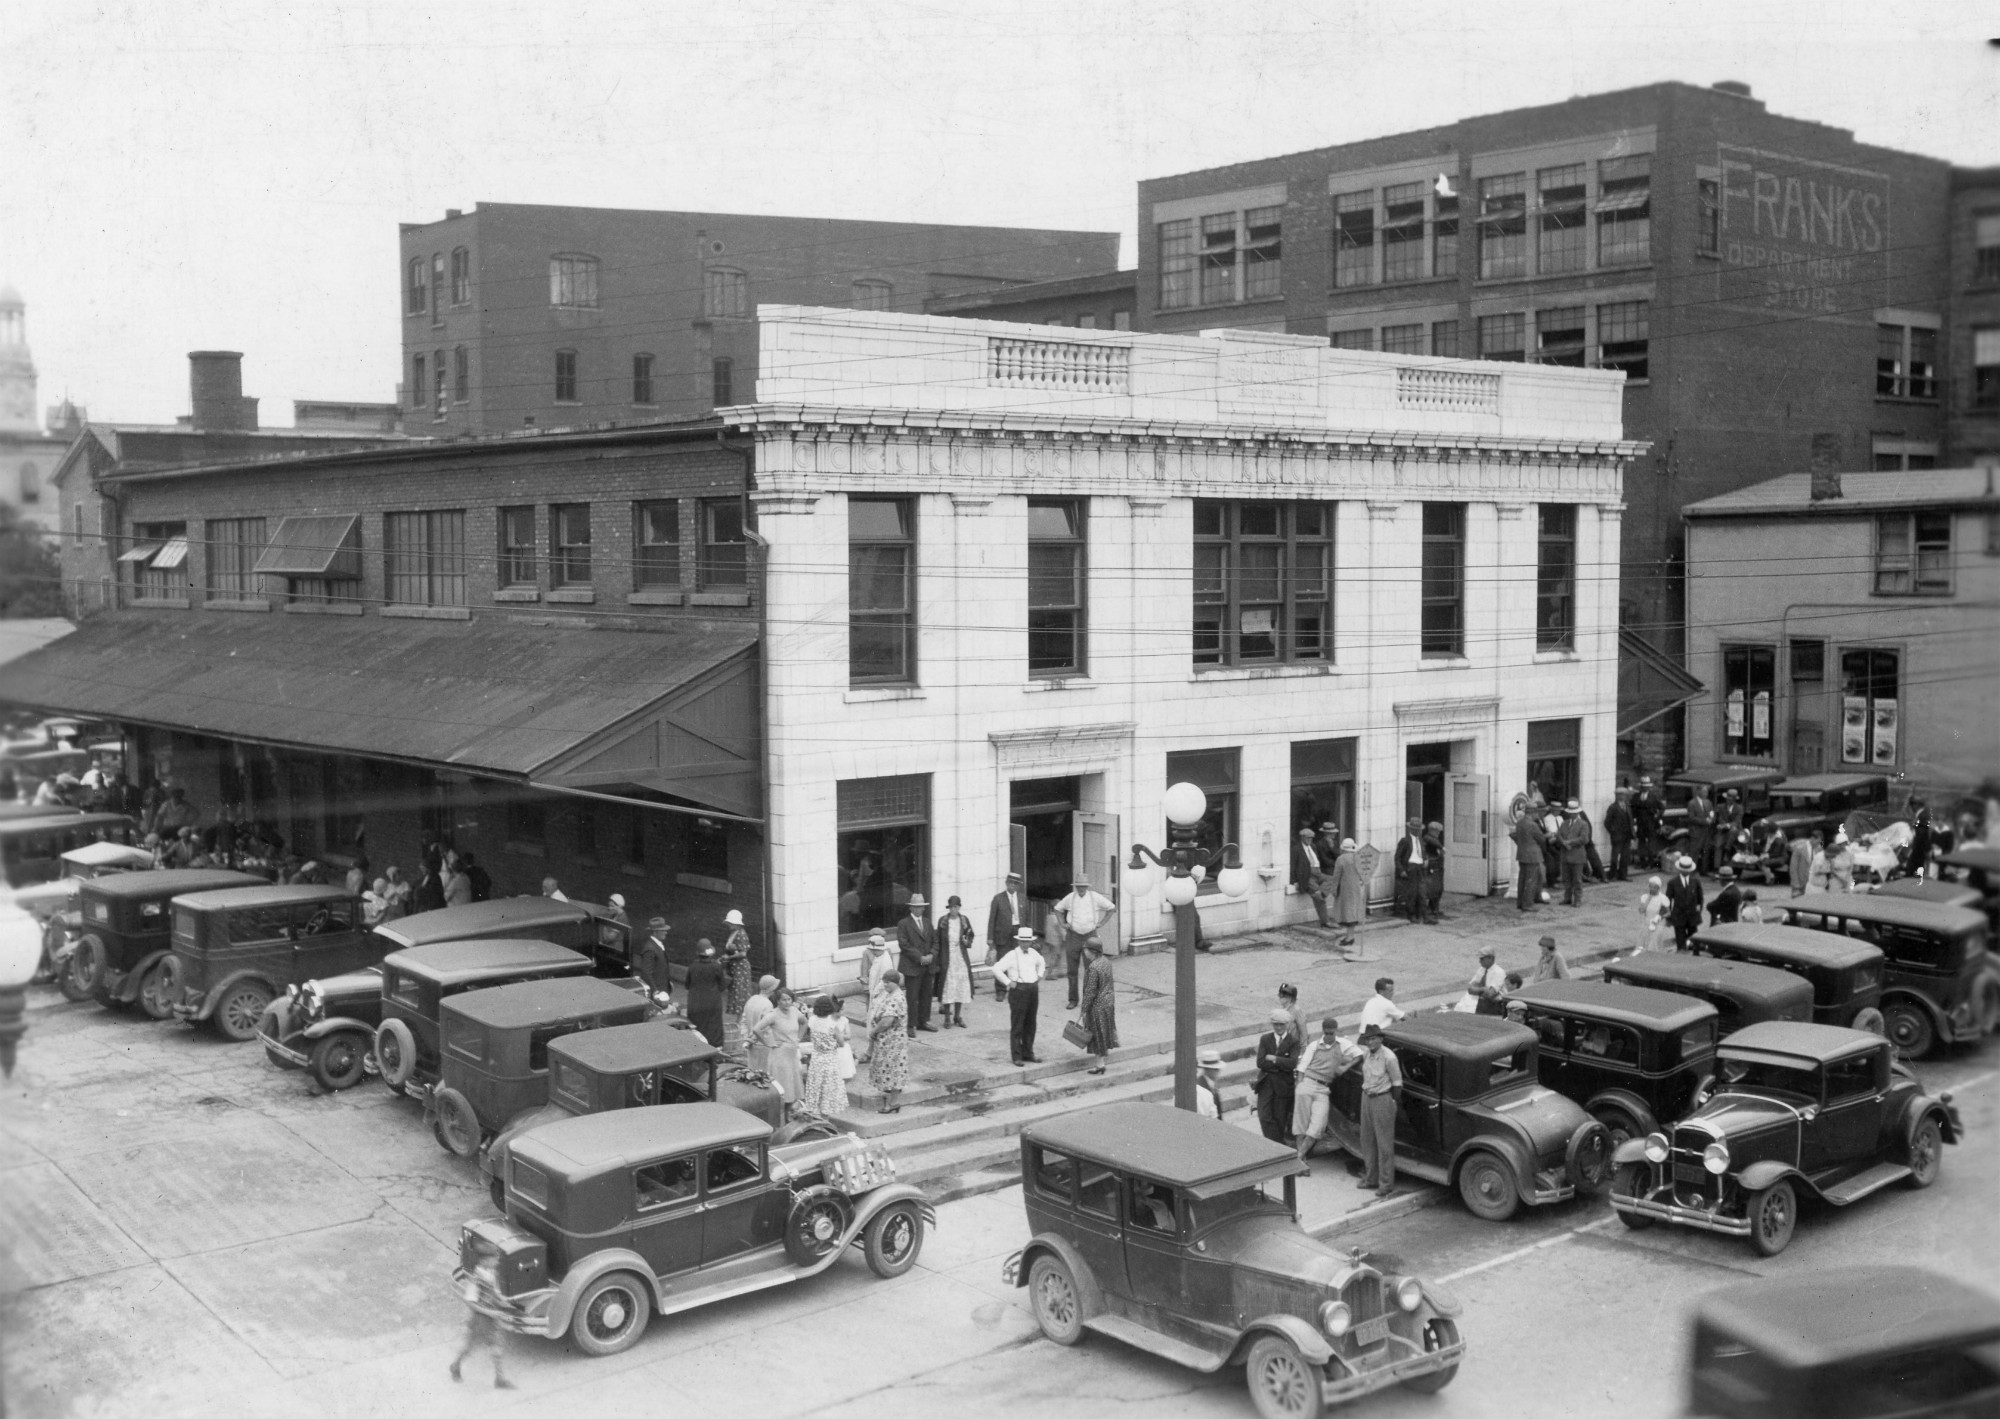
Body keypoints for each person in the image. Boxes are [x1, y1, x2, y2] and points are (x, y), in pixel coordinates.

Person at [1291, 1017, 1355, 1171]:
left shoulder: (1342, 1045)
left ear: (1336, 1031)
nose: (1329, 1036)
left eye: (1332, 1033)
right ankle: (1302, 1162)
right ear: (1322, 1031)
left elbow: (1358, 1055)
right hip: (1307, 1083)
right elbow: (1302, 1067)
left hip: (1323, 1090)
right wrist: (1300, 1086)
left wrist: (1345, 1067)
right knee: (1301, 1125)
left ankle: (1298, 1158)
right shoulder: (1314, 1046)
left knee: (1317, 1127)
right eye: (1326, 1033)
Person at [449, 1252, 514, 1389]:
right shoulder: (476, 1278)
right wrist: (491, 1312)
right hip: (479, 1320)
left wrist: (502, 1302)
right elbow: (470, 1302)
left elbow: (494, 1292)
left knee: (496, 1348)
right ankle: (455, 1366)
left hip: (491, 1318)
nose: (497, 1261)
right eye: (493, 1258)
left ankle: (499, 1379)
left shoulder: (491, 1273)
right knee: (470, 1347)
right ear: (484, 1260)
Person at [1355, 1024, 1403, 1196]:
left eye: (1374, 1038)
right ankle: (1371, 1178)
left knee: (1384, 1143)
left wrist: (1391, 1101)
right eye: (1368, 1039)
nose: (1371, 1042)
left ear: (1381, 1039)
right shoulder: (1367, 1053)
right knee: (1367, 1140)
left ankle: (1386, 1183)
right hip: (1366, 1096)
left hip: (1382, 1097)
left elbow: (1397, 1083)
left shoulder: (1389, 1057)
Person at [1054, 877, 1115, 1009]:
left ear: (1087, 887)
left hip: (1090, 936)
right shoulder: (1070, 898)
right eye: (1078, 886)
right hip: (1073, 936)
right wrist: (1063, 924)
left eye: (1083, 886)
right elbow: (1057, 909)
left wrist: (1102, 923)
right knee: (1072, 970)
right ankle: (1073, 999)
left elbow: (1111, 908)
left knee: (1091, 969)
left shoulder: (1095, 898)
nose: (1081, 889)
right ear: (1075, 886)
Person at [992, 925, 1047, 1065]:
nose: (1025, 944)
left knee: (1031, 1023)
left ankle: (1028, 1053)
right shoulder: (1011, 955)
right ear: (1018, 941)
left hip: (1032, 989)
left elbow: (1042, 962)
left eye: (1027, 941)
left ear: (1031, 942)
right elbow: (996, 968)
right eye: (1022, 941)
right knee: (1018, 1024)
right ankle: (1016, 1056)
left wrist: (1039, 976)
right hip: (1018, 990)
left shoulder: (1034, 953)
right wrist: (1008, 982)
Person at [1253, 1007, 1300, 1143]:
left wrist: (1274, 1058)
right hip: (1266, 1083)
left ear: (1287, 1025)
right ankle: (1276, 1144)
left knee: (1280, 1120)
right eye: (1276, 1024)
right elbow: (1261, 1062)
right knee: (1264, 1116)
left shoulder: (1293, 1041)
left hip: (1283, 1086)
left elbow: (1292, 1063)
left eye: (1282, 1024)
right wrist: (1281, 1065)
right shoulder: (1265, 1039)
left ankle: (1276, 1146)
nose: (1279, 1027)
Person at [799, 996, 851, 1117]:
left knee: (815, 1086)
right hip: (829, 1059)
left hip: (816, 1058)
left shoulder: (812, 1021)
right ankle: (825, 1117)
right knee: (828, 1089)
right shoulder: (832, 1025)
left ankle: (814, 1113)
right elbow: (842, 1043)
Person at [895, 893, 938, 1034]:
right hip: (912, 966)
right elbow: (904, 945)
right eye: (918, 907)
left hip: (928, 965)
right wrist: (920, 958)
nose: (921, 909)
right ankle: (910, 1025)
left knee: (926, 994)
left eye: (922, 907)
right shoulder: (903, 924)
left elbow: (935, 941)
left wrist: (931, 954)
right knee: (912, 996)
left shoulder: (927, 922)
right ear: (911, 908)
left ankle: (923, 1021)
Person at [869, 969, 910, 1114]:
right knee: (890, 1069)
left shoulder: (896, 998)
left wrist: (874, 1031)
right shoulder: (892, 994)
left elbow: (887, 1021)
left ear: (894, 982)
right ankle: (892, 1098)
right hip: (889, 1041)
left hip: (893, 1042)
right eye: (884, 982)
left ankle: (893, 1103)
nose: (885, 984)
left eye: (887, 982)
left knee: (894, 1071)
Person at [1077, 936, 1118, 1075]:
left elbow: (1090, 991)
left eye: (1086, 950)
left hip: (1097, 1007)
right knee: (1104, 1033)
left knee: (1097, 1036)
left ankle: (1100, 1065)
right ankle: (1100, 1063)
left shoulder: (1093, 968)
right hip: (1108, 1003)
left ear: (1092, 951)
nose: (1084, 952)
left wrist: (1083, 1009)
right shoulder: (1106, 962)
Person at [935, 893, 976, 1028]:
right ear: (949, 908)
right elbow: (938, 940)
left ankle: (957, 1016)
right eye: (951, 907)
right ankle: (947, 1017)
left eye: (956, 907)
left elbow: (970, 935)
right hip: (947, 957)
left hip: (960, 957)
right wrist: (938, 959)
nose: (954, 910)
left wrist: (967, 941)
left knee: (960, 986)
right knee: (948, 986)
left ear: (959, 907)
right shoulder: (943, 921)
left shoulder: (964, 920)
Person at [987, 871, 1029, 1001]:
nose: (1013, 886)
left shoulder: (1022, 898)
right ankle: (1000, 990)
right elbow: (992, 920)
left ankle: (1017, 989)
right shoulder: (998, 899)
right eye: (1010, 883)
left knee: (1018, 961)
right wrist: (990, 938)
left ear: (1018, 886)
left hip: (1019, 933)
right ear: (1006, 883)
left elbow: (1027, 919)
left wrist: (1028, 936)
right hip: (1003, 935)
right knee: (1002, 962)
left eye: (1015, 884)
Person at [757, 987, 803, 1107]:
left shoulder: (794, 1011)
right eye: (784, 1000)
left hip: (792, 1055)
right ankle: (782, 1116)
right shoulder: (773, 1015)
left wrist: (799, 1038)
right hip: (780, 1056)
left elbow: (804, 1022)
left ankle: (789, 1115)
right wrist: (768, 1042)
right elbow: (757, 1029)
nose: (787, 1002)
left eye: (789, 999)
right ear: (778, 1001)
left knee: (793, 1087)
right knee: (784, 1088)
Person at [684, 940, 727, 1046]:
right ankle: (715, 1050)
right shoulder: (716, 967)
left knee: (697, 1026)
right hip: (713, 1002)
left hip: (695, 1002)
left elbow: (687, 985)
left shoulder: (692, 966)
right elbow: (722, 985)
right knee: (714, 1027)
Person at [1329, 838, 1367, 951]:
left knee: (1346, 912)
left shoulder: (1341, 859)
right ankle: (1350, 935)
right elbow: (1362, 874)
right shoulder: (1358, 858)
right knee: (1353, 911)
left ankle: (1349, 937)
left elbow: (1336, 876)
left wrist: (1334, 889)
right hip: (1356, 888)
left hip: (1344, 889)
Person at [1292, 827, 1333, 928]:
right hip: (1307, 876)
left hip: (1318, 873)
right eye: (1308, 838)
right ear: (1302, 838)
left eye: (1311, 838)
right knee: (1318, 897)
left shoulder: (1313, 847)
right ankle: (1325, 921)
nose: (1310, 840)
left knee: (1331, 879)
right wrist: (1294, 881)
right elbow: (1293, 865)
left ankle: (1321, 893)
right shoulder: (1297, 849)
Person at [741, 974, 782, 1069]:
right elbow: (766, 1029)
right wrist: (772, 1044)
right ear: (771, 988)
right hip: (763, 1044)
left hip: (751, 1044)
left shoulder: (751, 999)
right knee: (765, 1073)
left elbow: (743, 1021)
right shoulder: (767, 1004)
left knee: (753, 1071)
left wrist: (746, 1038)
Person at [719, 909, 754, 1020]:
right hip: (734, 968)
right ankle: (739, 1020)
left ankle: (741, 1021)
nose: (728, 925)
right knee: (736, 993)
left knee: (740, 994)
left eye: (730, 923)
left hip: (740, 968)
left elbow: (743, 953)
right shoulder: (734, 933)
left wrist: (729, 957)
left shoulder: (741, 934)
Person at [1666, 856, 1705, 951]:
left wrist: (1698, 912)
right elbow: (1667, 901)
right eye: (1683, 870)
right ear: (1680, 870)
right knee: (1681, 944)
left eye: (1687, 870)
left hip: (1692, 917)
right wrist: (1668, 916)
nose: (1685, 872)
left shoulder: (1695, 882)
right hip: (1678, 917)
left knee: (1694, 942)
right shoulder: (1672, 882)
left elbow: (1700, 899)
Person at [1512, 806, 1546, 912]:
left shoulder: (1519, 823)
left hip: (1522, 854)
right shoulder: (1532, 825)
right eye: (1536, 812)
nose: (1537, 815)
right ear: (1532, 813)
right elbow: (1541, 839)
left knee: (1522, 879)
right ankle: (1527, 904)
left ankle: (1520, 902)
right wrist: (1548, 835)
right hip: (1532, 855)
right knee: (1531, 880)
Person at [1558, 800, 1591, 906]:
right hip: (1565, 855)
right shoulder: (1564, 823)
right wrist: (1563, 842)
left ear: (1577, 813)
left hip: (1577, 855)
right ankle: (1567, 898)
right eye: (1570, 812)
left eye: (1574, 812)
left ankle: (1577, 899)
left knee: (1577, 879)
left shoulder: (1583, 824)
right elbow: (1559, 835)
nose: (1572, 814)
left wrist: (1570, 842)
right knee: (1566, 879)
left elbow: (1584, 839)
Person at [1393, 818, 1428, 922]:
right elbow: (1397, 857)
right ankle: (1411, 914)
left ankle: (1423, 915)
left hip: (1420, 868)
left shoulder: (1420, 841)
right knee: (1411, 893)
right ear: (1410, 829)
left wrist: (1426, 859)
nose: (1417, 831)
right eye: (1415, 829)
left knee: (1422, 892)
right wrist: (1401, 870)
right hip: (1410, 867)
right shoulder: (1405, 841)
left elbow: (1423, 853)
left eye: (1418, 829)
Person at [634, 918, 673, 1005]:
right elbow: (646, 972)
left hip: (662, 989)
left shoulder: (657, 945)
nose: (666, 932)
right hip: (657, 993)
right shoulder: (650, 949)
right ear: (655, 932)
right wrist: (655, 990)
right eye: (663, 930)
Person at [1604, 787, 1634, 882]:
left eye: (1623, 795)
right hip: (1617, 836)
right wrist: (1613, 832)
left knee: (1625, 856)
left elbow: (1631, 820)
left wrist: (1632, 832)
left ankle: (1623, 875)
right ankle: (1612, 875)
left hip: (1627, 835)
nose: (1621, 797)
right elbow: (1607, 822)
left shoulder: (1628, 806)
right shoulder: (1612, 807)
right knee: (1615, 857)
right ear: (1616, 796)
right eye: (1619, 795)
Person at [1632, 776, 1664, 864]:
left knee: (1651, 843)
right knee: (1641, 842)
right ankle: (1642, 861)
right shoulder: (1636, 796)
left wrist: (1657, 816)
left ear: (1649, 787)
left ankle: (1650, 861)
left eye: (1646, 786)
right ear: (1641, 787)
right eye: (1643, 786)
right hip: (1640, 822)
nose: (1644, 788)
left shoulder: (1653, 796)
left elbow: (1662, 807)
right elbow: (1632, 808)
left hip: (1651, 823)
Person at [1468, 946, 1508, 1016]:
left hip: (1495, 1006)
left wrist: (1477, 989)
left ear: (1490, 958)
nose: (1479, 961)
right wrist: (1483, 989)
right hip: (1481, 1004)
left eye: (1482, 959)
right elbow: (1470, 989)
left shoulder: (1499, 972)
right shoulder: (1481, 970)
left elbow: (1490, 994)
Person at [1420, 822, 1446, 923]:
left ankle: (1434, 908)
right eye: (1437, 831)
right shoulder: (1427, 838)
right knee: (1432, 889)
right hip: (1431, 868)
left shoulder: (1435, 838)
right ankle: (1432, 909)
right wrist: (1441, 847)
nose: (1439, 833)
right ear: (1432, 830)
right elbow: (1433, 843)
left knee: (1438, 889)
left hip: (1437, 868)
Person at [1686, 788, 1715, 876]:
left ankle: (1704, 870)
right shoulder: (1692, 803)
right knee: (1694, 851)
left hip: (1707, 831)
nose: (1706, 793)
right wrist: (1704, 821)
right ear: (1698, 792)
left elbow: (1712, 813)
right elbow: (1691, 818)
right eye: (1704, 792)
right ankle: (1691, 871)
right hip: (1696, 831)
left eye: (1706, 792)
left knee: (1706, 851)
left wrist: (1711, 820)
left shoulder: (1708, 802)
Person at [1193, 1049, 1229, 1119]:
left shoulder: (1210, 1083)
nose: (1218, 1071)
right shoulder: (1201, 1086)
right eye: (1215, 1069)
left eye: (1218, 1069)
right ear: (1206, 1069)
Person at [1638, 875, 1669, 952]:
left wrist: (1660, 917)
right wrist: (1648, 899)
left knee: (1653, 944)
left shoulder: (1663, 898)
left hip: (1658, 924)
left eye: (1654, 887)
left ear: (1658, 888)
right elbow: (1641, 910)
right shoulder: (1644, 897)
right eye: (1650, 887)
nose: (1652, 889)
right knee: (1644, 943)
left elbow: (1668, 913)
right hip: (1647, 923)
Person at [859, 930, 894, 999]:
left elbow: (891, 968)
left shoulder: (887, 952)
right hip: (871, 981)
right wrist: (865, 986)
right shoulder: (866, 952)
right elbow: (864, 968)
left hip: (881, 986)